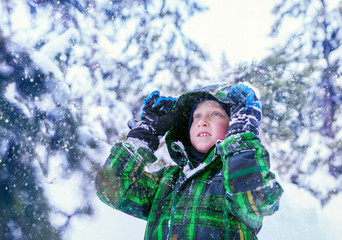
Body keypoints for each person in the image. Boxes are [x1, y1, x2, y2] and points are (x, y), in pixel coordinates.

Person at [95, 83, 283, 239]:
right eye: (197, 116)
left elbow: (256, 200)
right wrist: (144, 135)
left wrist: (241, 137)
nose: (202, 121)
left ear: (234, 122)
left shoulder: (233, 180)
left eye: (215, 114)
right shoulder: (167, 181)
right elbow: (112, 189)